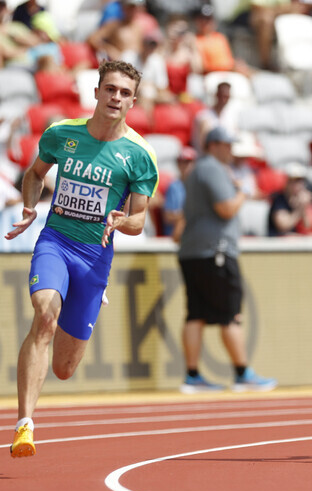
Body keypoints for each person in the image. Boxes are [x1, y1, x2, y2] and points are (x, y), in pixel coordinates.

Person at [4, 60, 159, 457]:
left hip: (93, 259)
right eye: (110, 89)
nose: (116, 97)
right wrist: (28, 207)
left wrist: (122, 219)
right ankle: (24, 425)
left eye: (124, 93)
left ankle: (90, 295)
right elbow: (35, 174)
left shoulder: (139, 155)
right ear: (96, 92)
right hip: (55, 241)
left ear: (133, 101)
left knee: (65, 368)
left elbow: (139, 219)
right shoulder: (62, 134)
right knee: (44, 317)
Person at [177, 126, 277, 393]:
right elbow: (226, 208)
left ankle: (192, 375)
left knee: (195, 314)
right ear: (215, 145)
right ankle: (242, 373)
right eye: (228, 145)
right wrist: (242, 192)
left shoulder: (199, 170)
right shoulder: (212, 168)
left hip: (194, 251)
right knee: (230, 314)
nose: (231, 151)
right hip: (216, 251)